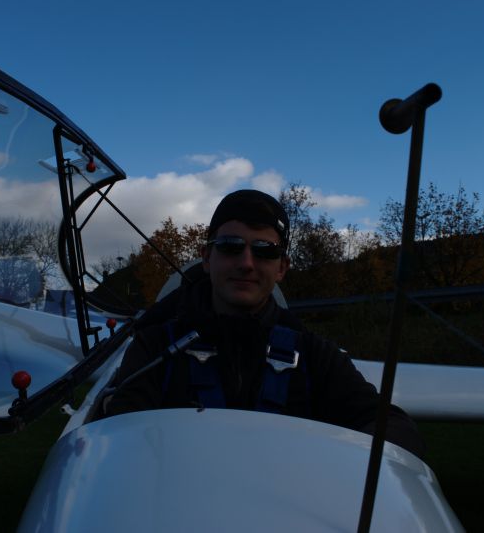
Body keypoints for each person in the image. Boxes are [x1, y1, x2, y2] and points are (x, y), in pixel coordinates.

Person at [102, 189, 425, 458]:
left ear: (282, 267)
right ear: (206, 258)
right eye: (230, 247)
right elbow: (119, 438)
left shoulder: (314, 355)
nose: (246, 263)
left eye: (264, 251)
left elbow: (393, 426)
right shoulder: (154, 348)